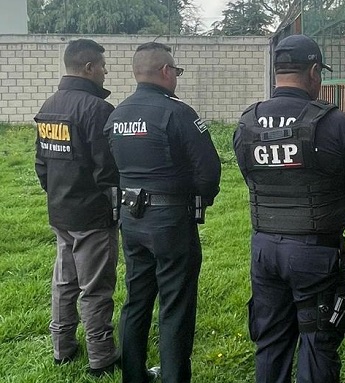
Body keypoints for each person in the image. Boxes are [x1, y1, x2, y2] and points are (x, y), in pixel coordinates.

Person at [233, 34, 345, 383]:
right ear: (314, 72)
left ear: (278, 71)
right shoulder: (334, 122)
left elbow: (248, 174)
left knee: (271, 342)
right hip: (316, 252)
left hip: (264, 249)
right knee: (318, 342)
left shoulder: (247, 122)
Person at [104, 42, 221, 383]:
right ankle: (174, 377)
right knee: (176, 304)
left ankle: (134, 375)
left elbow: (111, 167)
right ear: (167, 72)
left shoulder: (117, 114)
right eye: (177, 72)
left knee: (136, 300)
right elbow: (209, 171)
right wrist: (200, 200)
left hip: (131, 218)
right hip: (170, 221)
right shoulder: (179, 113)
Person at [34, 38, 119, 377]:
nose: (105, 70)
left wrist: (57, 195)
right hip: (93, 216)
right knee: (96, 288)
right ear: (88, 68)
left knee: (64, 283)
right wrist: (114, 210)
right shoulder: (97, 110)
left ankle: (62, 348)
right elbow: (108, 171)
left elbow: (42, 165)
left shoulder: (49, 106)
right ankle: (101, 357)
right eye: (101, 65)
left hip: (60, 211)